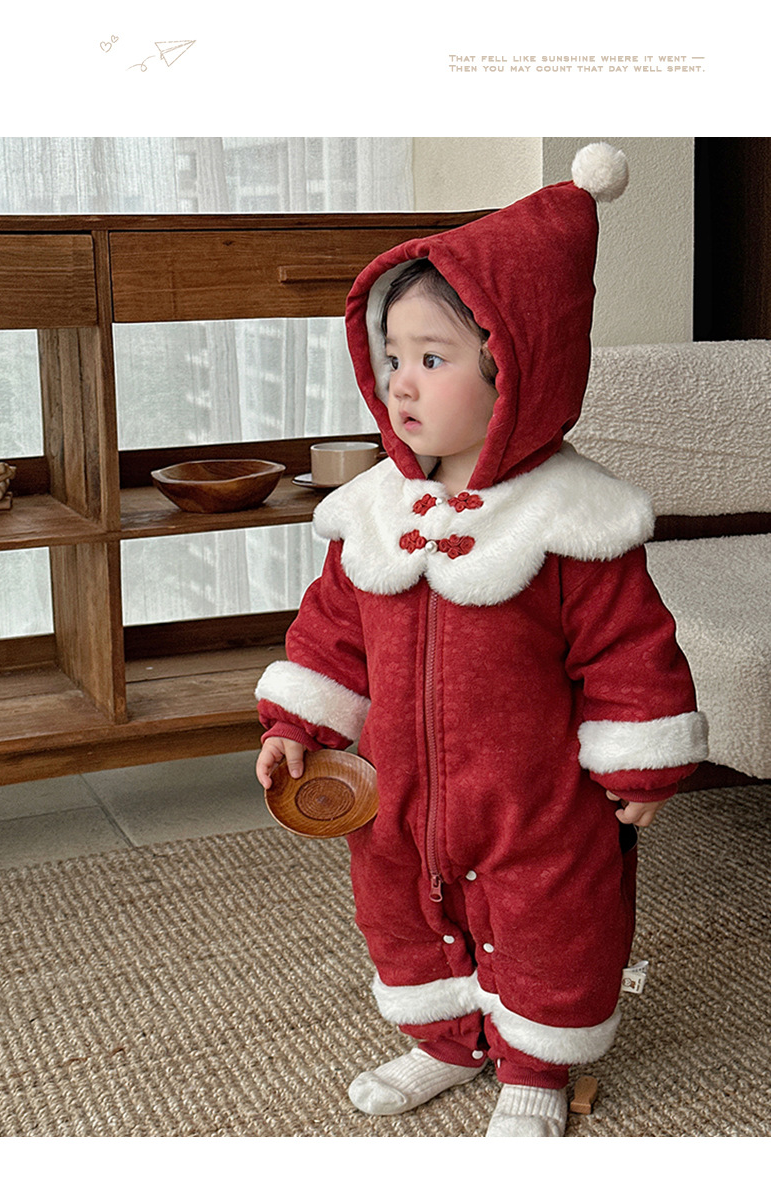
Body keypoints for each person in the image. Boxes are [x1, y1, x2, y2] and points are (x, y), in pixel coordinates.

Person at [254, 143, 708, 1136]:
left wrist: (639, 760)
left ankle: (536, 1067)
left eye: (433, 358)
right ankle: (445, 1041)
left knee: (551, 925)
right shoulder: (373, 513)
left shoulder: (572, 520)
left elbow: (628, 649)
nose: (401, 384)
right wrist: (298, 724)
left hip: (533, 798)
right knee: (403, 915)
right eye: (391, 359)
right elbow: (331, 633)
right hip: (400, 793)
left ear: (515, 370)